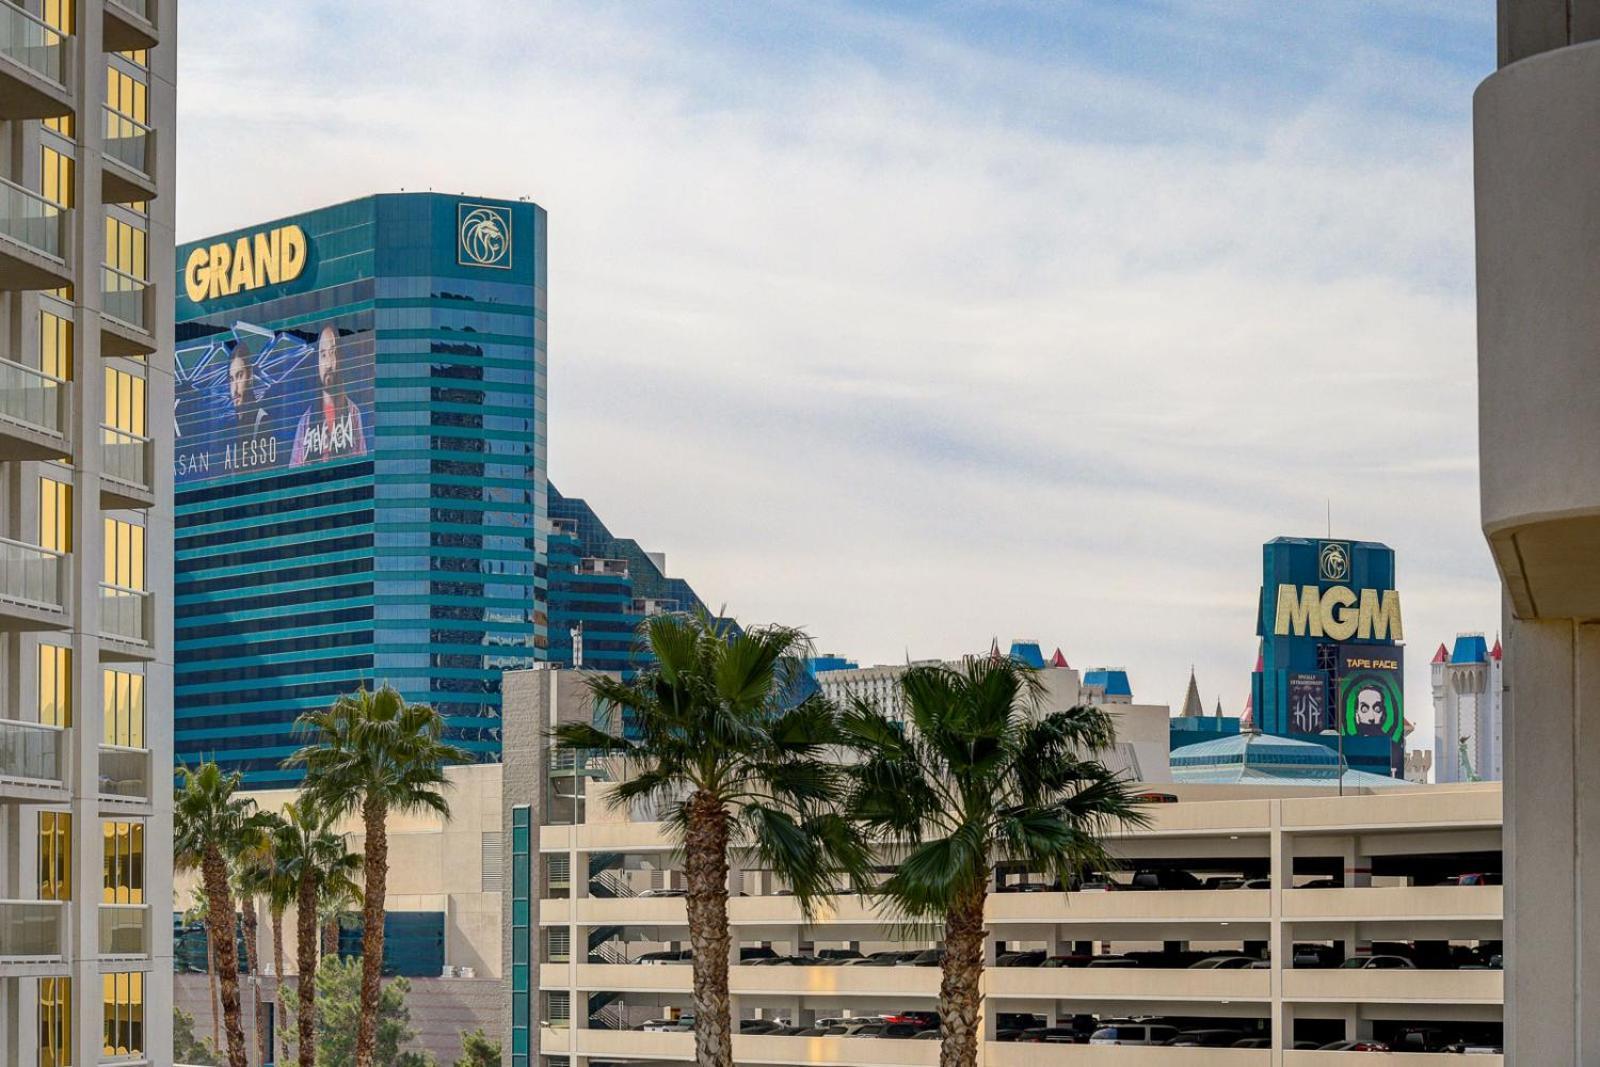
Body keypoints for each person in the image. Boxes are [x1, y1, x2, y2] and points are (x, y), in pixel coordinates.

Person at [290, 325, 366, 466]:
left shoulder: (353, 413)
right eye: (323, 355)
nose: (328, 364)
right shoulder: (305, 422)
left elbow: (361, 465)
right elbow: (294, 472)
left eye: (333, 353)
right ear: (317, 362)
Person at [224, 338, 273, 471]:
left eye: (239, 376)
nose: (235, 388)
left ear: (250, 376)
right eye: (231, 379)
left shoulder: (261, 420)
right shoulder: (230, 428)